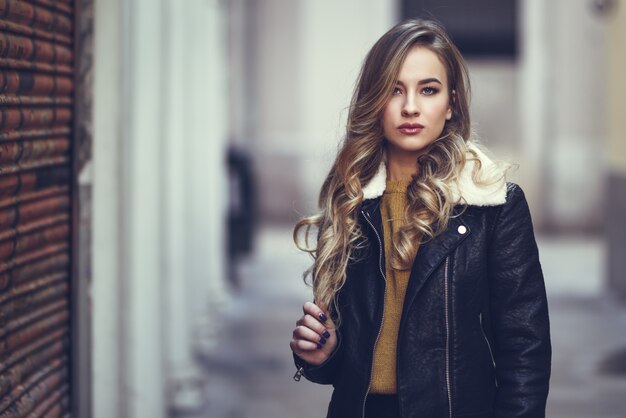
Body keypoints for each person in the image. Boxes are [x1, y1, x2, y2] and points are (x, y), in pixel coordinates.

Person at [289, 18, 551, 418]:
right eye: (394, 90)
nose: (410, 107)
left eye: (428, 90)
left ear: (451, 104)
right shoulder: (351, 202)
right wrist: (322, 355)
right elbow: (347, 361)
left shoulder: (495, 205)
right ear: (373, 102)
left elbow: (524, 347)